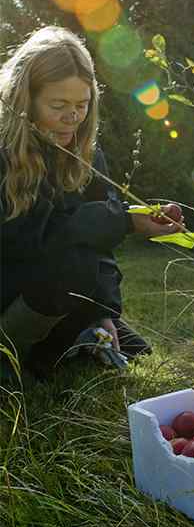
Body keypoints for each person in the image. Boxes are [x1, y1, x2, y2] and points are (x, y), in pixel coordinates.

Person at [0, 25, 184, 381]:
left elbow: (98, 248)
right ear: (25, 100)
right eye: (59, 105)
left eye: (82, 105)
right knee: (73, 263)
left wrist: (103, 312)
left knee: (131, 346)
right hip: (10, 287)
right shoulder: (4, 157)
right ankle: (10, 349)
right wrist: (122, 221)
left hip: (54, 289)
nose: (73, 116)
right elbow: (35, 244)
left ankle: (61, 345)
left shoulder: (86, 156)